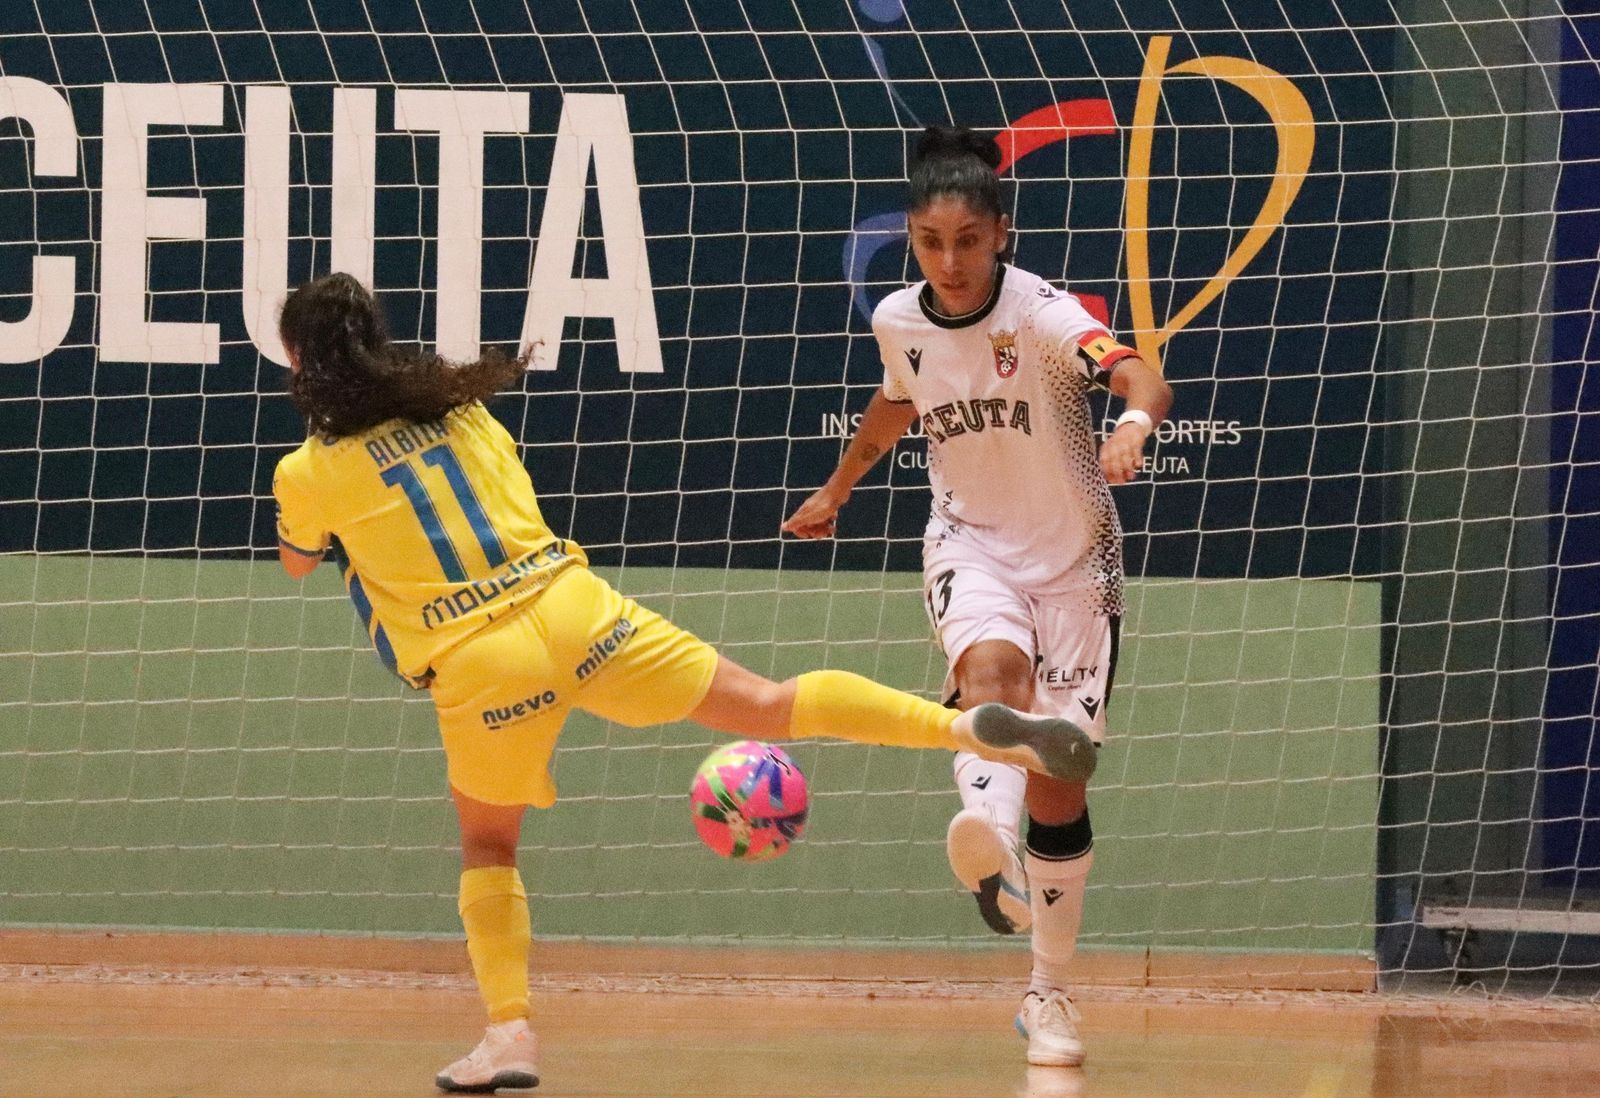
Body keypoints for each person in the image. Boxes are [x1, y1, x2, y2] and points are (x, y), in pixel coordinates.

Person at [270, 272, 1099, 1094]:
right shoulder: (462, 410)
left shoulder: (305, 471)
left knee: (490, 845)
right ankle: (962, 727)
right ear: (379, 342)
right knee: (771, 705)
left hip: (483, 663)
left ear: (300, 361)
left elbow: (300, 561)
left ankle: (509, 1033)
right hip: (573, 609)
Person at [782, 125, 1172, 1068]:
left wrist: (1128, 424)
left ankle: (1049, 992)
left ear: (1000, 232)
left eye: (965, 240)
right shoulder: (899, 320)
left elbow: (1138, 371)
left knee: (1060, 778)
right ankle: (987, 844)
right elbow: (897, 399)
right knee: (989, 677)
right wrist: (838, 488)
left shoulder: (1042, 316)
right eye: (926, 241)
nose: (946, 261)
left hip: (1079, 563)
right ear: (911, 240)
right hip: (972, 542)